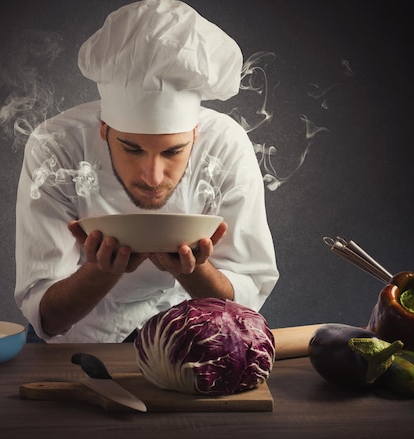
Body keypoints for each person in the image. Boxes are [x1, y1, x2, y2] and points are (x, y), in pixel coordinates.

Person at [14, 0, 279, 343]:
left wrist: (196, 270)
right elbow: (46, 315)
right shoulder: (55, 146)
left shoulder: (226, 144)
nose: (152, 176)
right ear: (104, 129)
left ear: (195, 135)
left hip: (188, 338)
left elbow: (244, 309)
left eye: (173, 151)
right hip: (76, 343)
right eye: (132, 148)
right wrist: (99, 272)